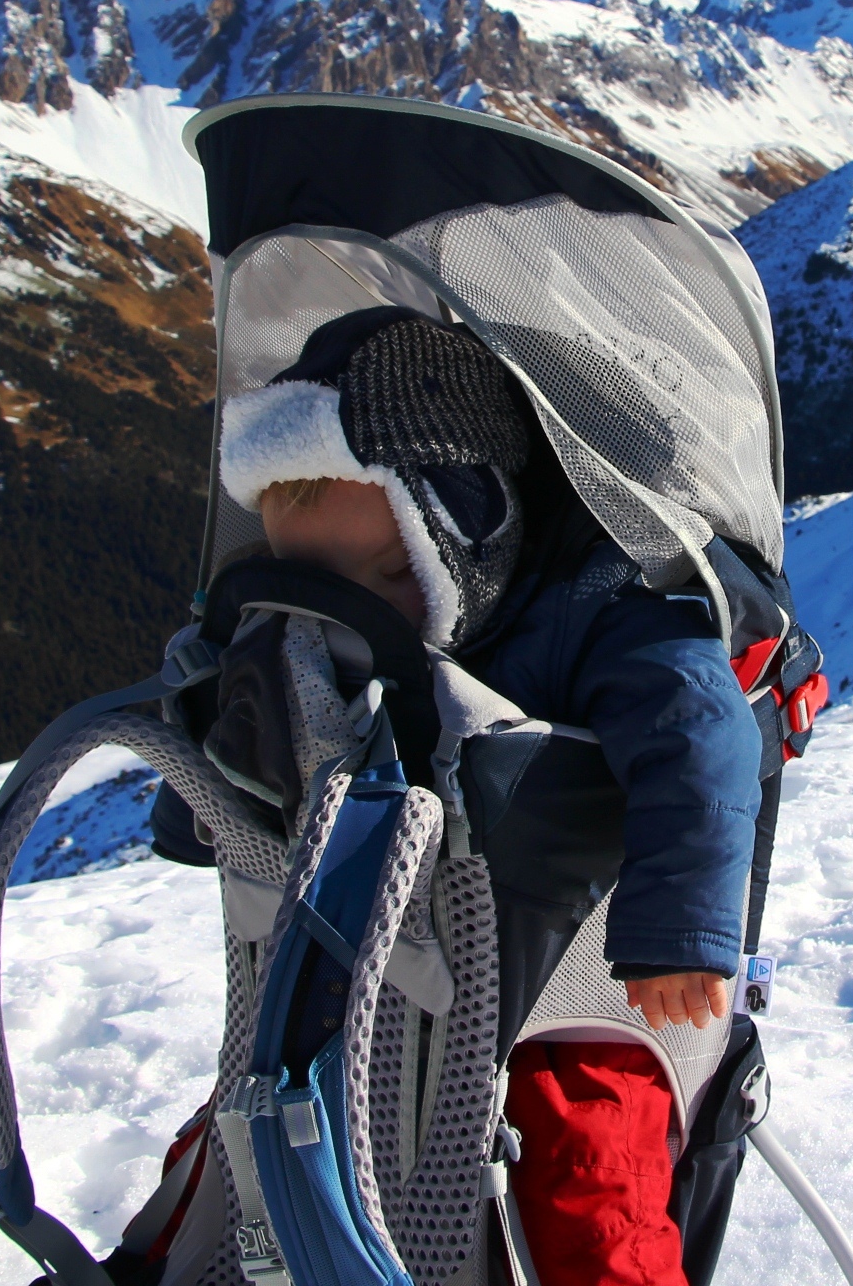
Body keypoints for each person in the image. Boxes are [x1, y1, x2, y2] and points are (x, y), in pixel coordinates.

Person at [212, 305, 763, 1286]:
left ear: (467, 530)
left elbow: (699, 731)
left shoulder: (595, 610)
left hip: (579, 1001)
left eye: (388, 575)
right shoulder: (326, 643)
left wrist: (679, 924)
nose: (343, 616)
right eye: (311, 581)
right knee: (241, 1148)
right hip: (384, 992)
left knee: (587, 1187)